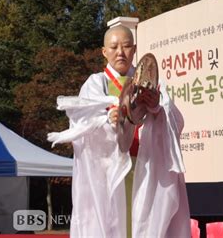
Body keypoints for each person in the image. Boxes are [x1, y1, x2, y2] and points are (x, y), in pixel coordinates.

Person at [48, 25, 190, 237]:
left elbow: (176, 121)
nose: (120, 52)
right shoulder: (96, 84)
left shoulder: (153, 83)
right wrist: (106, 120)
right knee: (110, 224)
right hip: (108, 172)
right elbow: (81, 124)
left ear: (134, 49)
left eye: (126, 46)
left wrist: (157, 108)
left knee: (146, 224)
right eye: (114, 47)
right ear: (104, 52)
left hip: (145, 167)